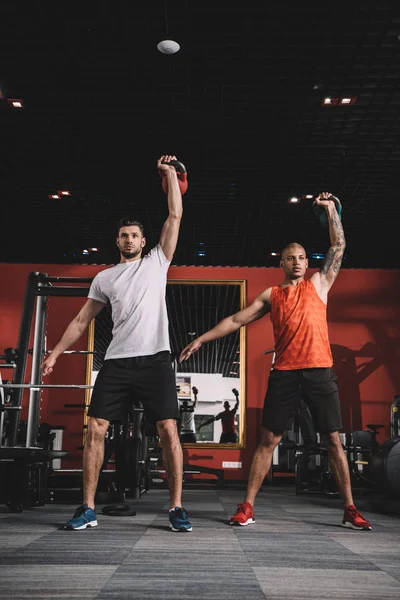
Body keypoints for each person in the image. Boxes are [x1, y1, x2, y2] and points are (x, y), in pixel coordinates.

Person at [180, 192, 371, 531]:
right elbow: (237, 320)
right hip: (284, 373)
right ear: (281, 263)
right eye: (290, 258)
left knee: (333, 441)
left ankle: (350, 508)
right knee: (268, 440)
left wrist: (330, 212)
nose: (297, 262)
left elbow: (338, 247)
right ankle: (248, 506)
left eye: (301, 257)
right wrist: (200, 339)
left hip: (319, 371)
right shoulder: (272, 295)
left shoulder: (319, 284)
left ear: (306, 262)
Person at [41, 155, 192, 533]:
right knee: (95, 429)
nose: (129, 240)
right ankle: (87, 508)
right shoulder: (105, 278)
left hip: (155, 360)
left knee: (169, 430)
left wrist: (171, 176)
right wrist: (55, 353)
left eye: (135, 235)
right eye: (123, 235)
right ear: (117, 241)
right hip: (117, 362)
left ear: (144, 241)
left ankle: (176, 508)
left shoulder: (158, 262)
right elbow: (81, 320)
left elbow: (174, 215)